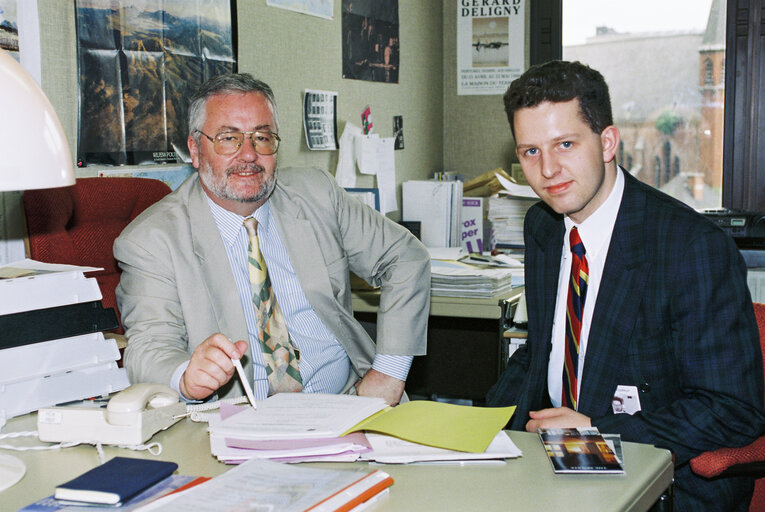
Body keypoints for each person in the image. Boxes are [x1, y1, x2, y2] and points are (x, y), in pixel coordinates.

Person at [486, 60, 765, 511]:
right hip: (548, 464)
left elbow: (734, 409)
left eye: (566, 144)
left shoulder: (691, 247)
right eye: (530, 152)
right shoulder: (544, 225)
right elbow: (545, 352)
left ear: (608, 142)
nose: (549, 169)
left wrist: (598, 433)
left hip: (660, 479)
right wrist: (479, 430)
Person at [115, 73, 429, 406]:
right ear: (195, 150)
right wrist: (185, 378)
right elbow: (148, 349)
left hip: (350, 404)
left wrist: (389, 373)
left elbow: (406, 257)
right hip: (240, 424)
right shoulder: (151, 240)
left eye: (262, 137)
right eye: (228, 138)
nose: (249, 154)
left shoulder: (316, 194)